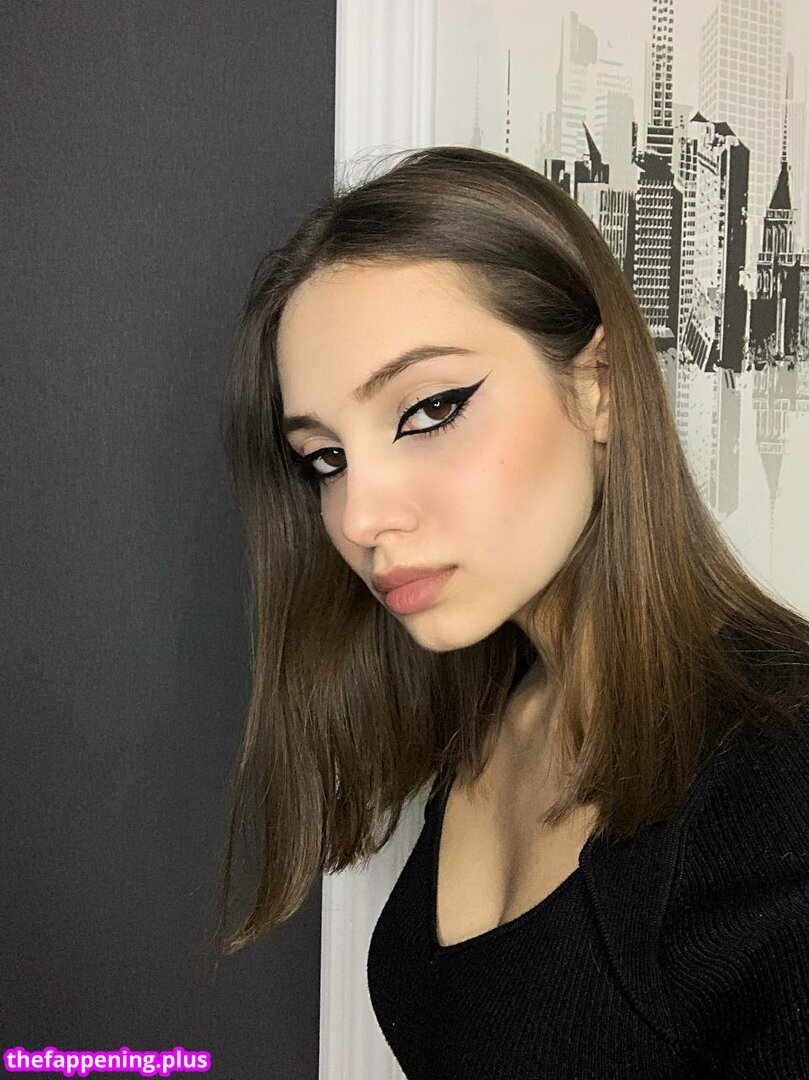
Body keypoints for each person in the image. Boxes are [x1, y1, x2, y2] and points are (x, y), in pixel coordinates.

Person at [215, 145, 809, 1078]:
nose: (360, 518)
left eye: (428, 410)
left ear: (600, 387)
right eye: (324, 459)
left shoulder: (779, 780)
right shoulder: (498, 709)